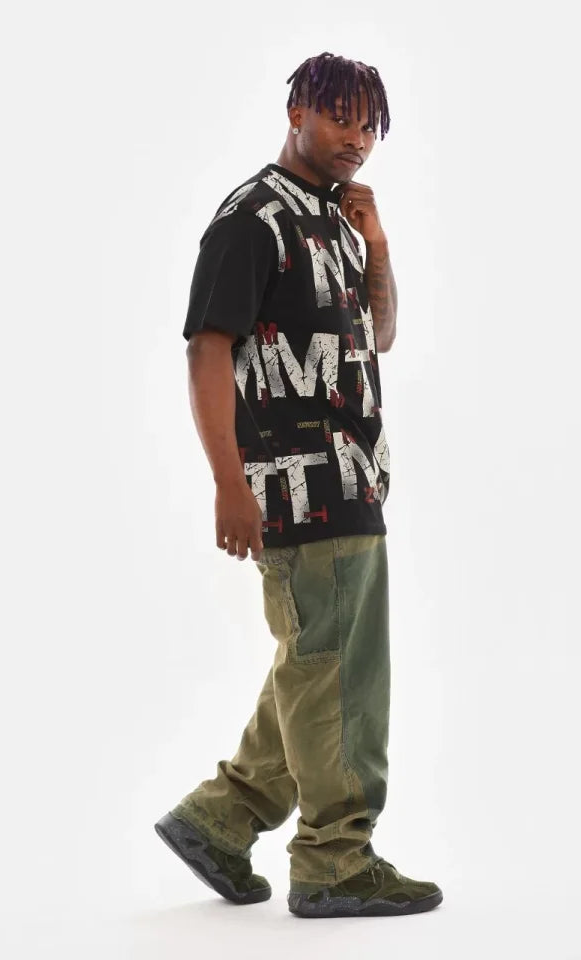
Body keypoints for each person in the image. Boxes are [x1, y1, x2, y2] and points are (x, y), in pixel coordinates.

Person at [154, 51, 443, 919]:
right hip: (295, 486)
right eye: (338, 117)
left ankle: (220, 818)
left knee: (319, 668)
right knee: (339, 678)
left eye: (367, 125)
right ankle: (334, 860)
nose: (355, 139)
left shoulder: (339, 221)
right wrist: (228, 484)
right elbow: (207, 347)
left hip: (353, 481)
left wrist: (377, 244)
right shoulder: (251, 219)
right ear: (295, 112)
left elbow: (379, 334)